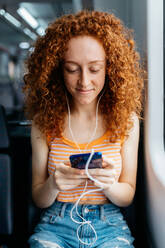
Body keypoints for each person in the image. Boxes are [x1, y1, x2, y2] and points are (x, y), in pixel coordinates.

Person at [23, 9, 144, 248]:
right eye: (71, 69)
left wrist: (108, 184)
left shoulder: (126, 120)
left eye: (95, 69)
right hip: (54, 225)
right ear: (57, 69)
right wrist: (53, 184)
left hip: (109, 226)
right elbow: (38, 198)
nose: (84, 82)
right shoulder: (43, 121)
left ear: (111, 68)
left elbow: (127, 195)